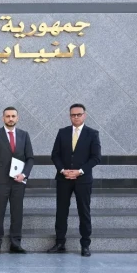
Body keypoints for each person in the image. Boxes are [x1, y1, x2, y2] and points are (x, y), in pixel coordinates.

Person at [49, 103, 101, 257]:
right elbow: (55, 155)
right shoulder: (62, 132)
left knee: (84, 212)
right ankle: (60, 243)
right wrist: (63, 170)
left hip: (83, 180)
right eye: (73, 115)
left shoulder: (92, 134)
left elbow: (96, 157)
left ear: (84, 115)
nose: (76, 117)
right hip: (64, 178)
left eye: (79, 114)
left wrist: (80, 171)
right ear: (70, 116)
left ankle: (85, 245)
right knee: (61, 212)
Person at [0, 106, 35, 254]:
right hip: (0, 180)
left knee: (17, 212)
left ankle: (15, 243)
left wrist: (24, 174)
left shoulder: (24, 135)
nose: (10, 119)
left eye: (13, 116)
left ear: (17, 118)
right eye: (7, 116)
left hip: (18, 181)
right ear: (3, 118)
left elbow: (30, 158)